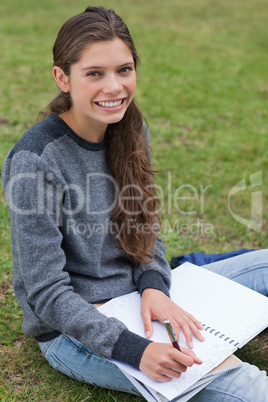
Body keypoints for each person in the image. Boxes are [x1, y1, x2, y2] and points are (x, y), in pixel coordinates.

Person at [1, 6, 267, 401]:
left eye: (124, 70)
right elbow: (46, 293)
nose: (114, 87)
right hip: (79, 330)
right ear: (63, 78)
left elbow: (143, 224)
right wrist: (135, 351)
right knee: (251, 388)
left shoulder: (130, 127)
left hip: (149, 297)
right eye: (95, 74)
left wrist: (154, 285)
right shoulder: (35, 162)